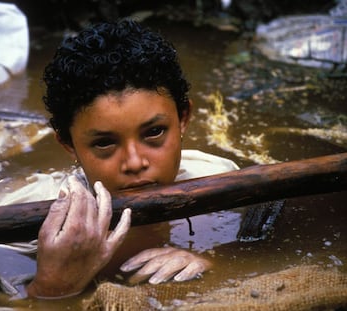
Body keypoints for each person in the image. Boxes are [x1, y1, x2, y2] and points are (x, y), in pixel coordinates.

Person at [24, 19, 239, 298]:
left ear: (183, 118)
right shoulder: (31, 229)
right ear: (68, 144)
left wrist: (211, 266)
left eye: (154, 132)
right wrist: (53, 286)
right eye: (104, 143)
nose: (135, 162)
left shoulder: (222, 183)